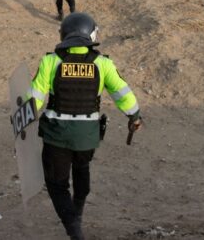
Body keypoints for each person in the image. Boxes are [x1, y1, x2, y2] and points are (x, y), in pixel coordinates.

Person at [30, 12, 142, 240]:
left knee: (56, 184)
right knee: (82, 168)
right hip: (87, 138)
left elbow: (34, 99)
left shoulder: (50, 61)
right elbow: (123, 93)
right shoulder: (103, 64)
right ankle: (78, 211)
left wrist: (21, 122)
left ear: (64, 35)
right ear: (91, 35)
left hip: (56, 137)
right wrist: (134, 116)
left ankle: (74, 230)